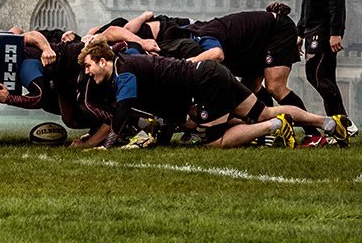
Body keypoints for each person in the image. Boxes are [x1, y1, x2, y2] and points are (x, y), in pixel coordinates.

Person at [76, 41, 346, 149]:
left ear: (102, 61)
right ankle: (328, 123)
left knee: (212, 141)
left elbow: (123, 112)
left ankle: (273, 128)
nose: (87, 73)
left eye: (88, 66)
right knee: (263, 109)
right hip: (211, 72)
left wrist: (106, 145)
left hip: (205, 82)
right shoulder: (129, 61)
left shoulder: (124, 72)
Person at [292, 0, 352, 142]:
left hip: (325, 29)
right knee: (325, 76)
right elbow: (307, 2)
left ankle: (343, 122)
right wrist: (299, 31)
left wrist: (337, 31)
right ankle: (339, 127)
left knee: (315, 74)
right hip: (311, 29)